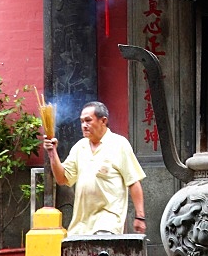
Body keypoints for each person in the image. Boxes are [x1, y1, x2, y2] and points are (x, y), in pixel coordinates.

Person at [43, 101, 146, 236]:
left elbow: (133, 181)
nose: (84, 126)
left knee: (100, 252)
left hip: (108, 221)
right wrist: (52, 153)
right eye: (81, 122)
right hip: (81, 225)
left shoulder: (119, 144)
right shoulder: (80, 147)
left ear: (103, 121)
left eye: (88, 121)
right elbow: (62, 179)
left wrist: (140, 216)